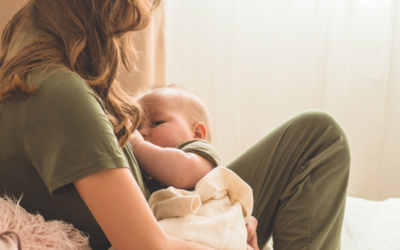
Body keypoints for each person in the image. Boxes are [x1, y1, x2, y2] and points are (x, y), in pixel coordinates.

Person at [0, 1, 351, 250]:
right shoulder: (59, 92)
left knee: (316, 134)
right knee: (321, 140)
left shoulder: (30, 60)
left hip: (170, 207)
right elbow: (148, 245)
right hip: (165, 222)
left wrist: (227, 212)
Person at [131, 86, 222, 192]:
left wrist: (138, 145)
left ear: (197, 134)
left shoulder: (202, 154)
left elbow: (182, 172)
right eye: (136, 128)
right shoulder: (146, 171)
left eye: (156, 123)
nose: (140, 133)